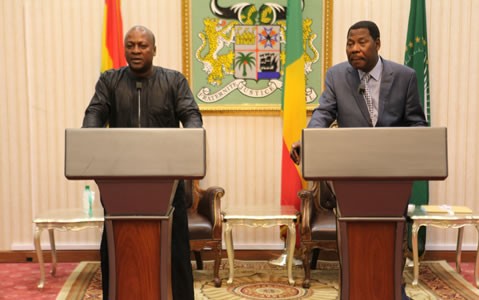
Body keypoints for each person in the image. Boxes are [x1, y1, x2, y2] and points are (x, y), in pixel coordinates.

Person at [290, 21, 427, 300]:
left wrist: (416, 145)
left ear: (378, 43)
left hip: (393, 178)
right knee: (352, 242)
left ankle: (393, 292)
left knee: (392, 240)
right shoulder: (337, 76)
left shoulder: (405, 76)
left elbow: (416, 124)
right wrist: (307, 140)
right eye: (350, 43)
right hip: (351, 178)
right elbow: (323, 114)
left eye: (361, 42)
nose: (354, 49)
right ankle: (354, 292)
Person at [82, 25, 201, 300]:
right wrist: (88, 138)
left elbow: (191, 115)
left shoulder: (174, 81)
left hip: (167, 188)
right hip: (120, 189)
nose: (136, 50)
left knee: (176, 256)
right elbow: (95, 113)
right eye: (130, 45)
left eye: (142, 45)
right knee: (116, 252)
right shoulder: (109, 81)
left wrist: (194, 139)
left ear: (154, 50)